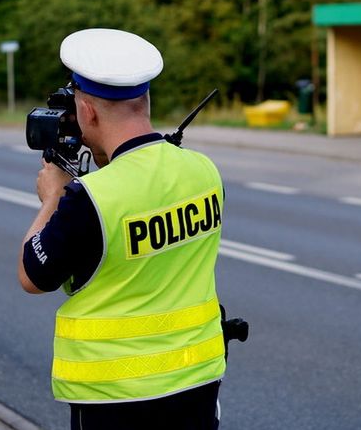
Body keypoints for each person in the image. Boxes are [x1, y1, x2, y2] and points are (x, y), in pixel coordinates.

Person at [18, 28, 226, 429]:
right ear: (145, 100)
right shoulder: (203, 171)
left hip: (116, 401)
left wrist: (51, 199)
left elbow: (32, 275)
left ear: (88, 111)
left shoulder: (91, 198)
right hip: (196, 385)